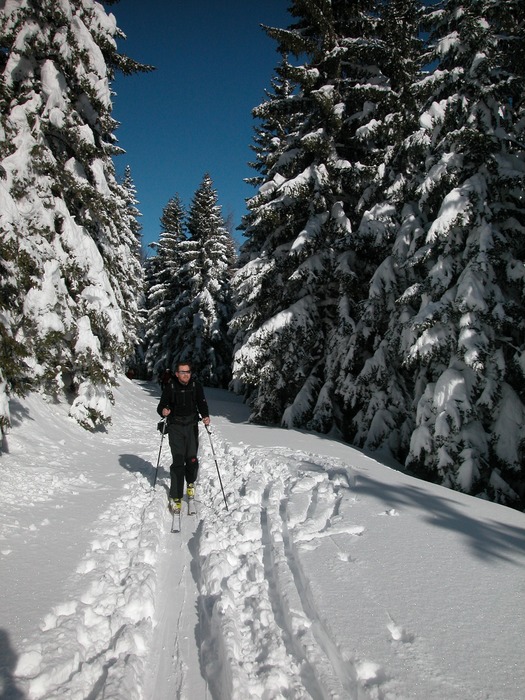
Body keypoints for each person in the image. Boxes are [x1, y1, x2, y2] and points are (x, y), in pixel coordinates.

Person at [156, 361, 210, 512]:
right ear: (177, 373)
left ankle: (190, 483)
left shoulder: (195, 386)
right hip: (175, 428)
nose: (186, 375)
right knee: (178, 461)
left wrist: (205, 416)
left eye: (188, 372)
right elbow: (160, 406)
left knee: (191, 460)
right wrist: (164, 411)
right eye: (182, 372)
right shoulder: (171, 386)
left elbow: (202, 403)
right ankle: (176, 496)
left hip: (192, 427)